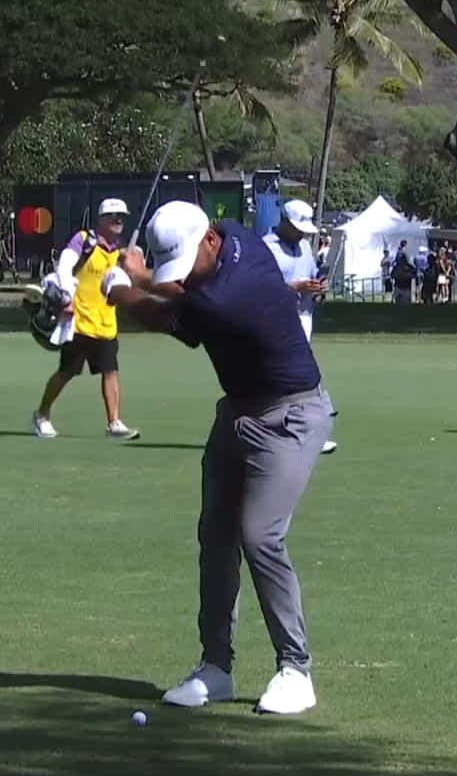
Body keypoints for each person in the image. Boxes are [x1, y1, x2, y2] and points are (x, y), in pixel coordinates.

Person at [100, 200, 333, 716]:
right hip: (238, 412)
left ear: (209, 241)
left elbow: (166, 313)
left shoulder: (231, 295)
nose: (184, 274)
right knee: (216, 534)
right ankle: (216, 668)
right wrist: (142, 275)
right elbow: (177, 288)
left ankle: (296, 670)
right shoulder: (236, 236)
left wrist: (121, 287)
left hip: (291, 415)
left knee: (260, 535)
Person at [30, 198, 141, 440]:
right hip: (77, 322)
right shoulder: (84, 241)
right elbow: (64, 267)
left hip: (106, 324)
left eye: (122, 215)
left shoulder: (122, 251)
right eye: (113, 216)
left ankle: (114, 423)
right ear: (101, 219)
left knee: (111, 371)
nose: (118, 220)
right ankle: (42, 414)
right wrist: (66, 298)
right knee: (67, 372)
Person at [264, 199, 338, 455]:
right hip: (276, 319)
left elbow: (312, 275)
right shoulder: (266, 248)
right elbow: (262, 288)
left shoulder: (305, 247)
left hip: (304, 316)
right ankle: (302, 433)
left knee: (298, 377)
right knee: (294, 377)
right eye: (297, 228)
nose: (301, 233)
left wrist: (319, 288)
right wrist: (296, 287)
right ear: (284, 222)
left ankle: (300, 432)